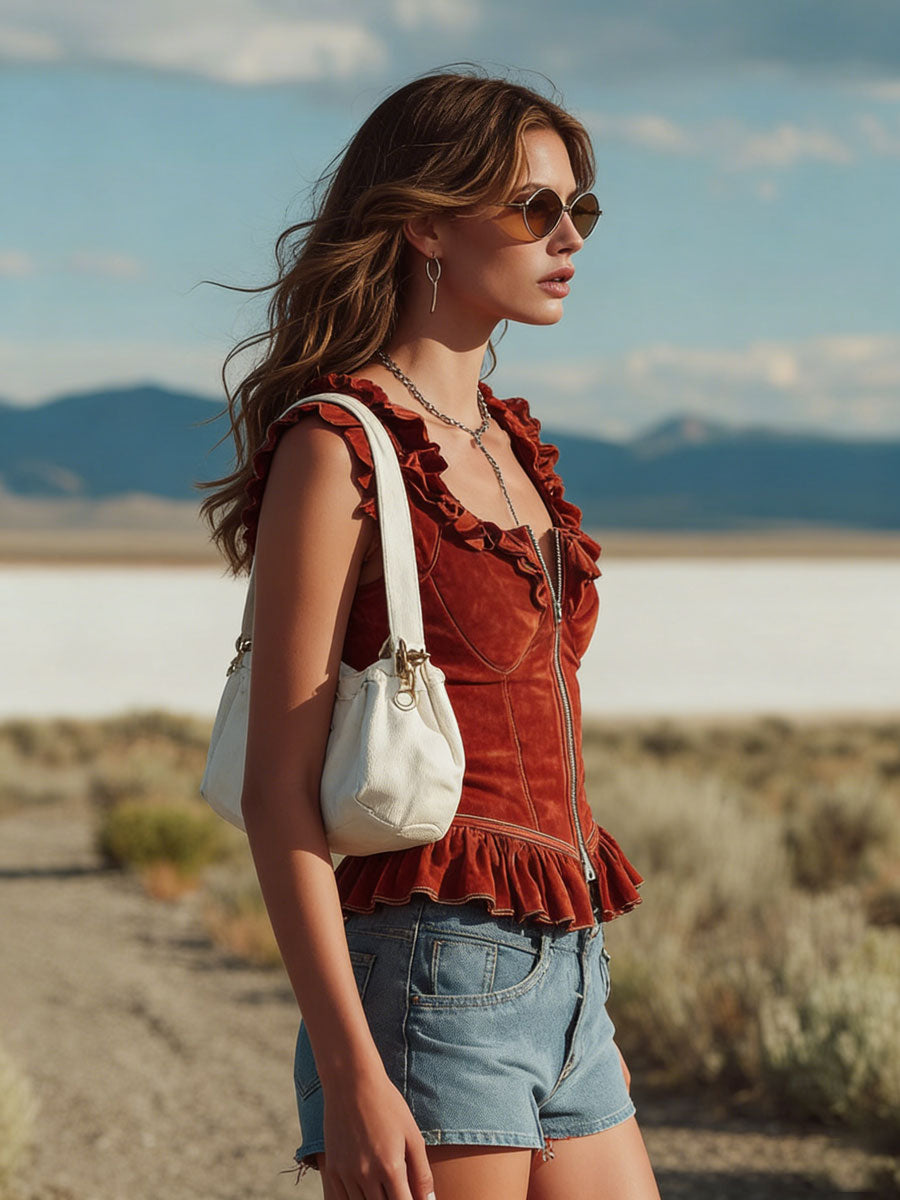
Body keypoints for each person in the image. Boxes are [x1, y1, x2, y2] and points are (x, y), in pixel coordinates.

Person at [200, 66, 659, 1200]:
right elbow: (277, 791)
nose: (569, 237)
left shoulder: (507, 438)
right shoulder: (338, 444)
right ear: (424, 228)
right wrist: (354, 1067)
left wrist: (572, 991)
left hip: (567, 968)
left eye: (579, 209)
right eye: (534, 207)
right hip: (428, 979)